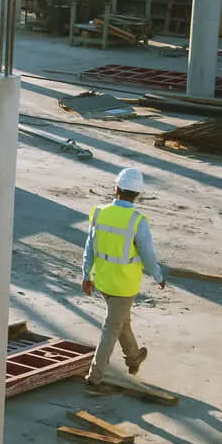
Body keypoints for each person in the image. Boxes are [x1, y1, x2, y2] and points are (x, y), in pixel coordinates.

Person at [82, 166, 165, 389]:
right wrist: (158, 277)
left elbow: (90, 246)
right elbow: (148, 254)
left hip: (103, 281)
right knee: (112, 327)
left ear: (116, 188)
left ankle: (133, 358)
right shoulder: (138, 221)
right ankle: (95, 377)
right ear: (137, 194)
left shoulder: (99, 212)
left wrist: (86, 274)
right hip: (124, 285)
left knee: (121, 321)